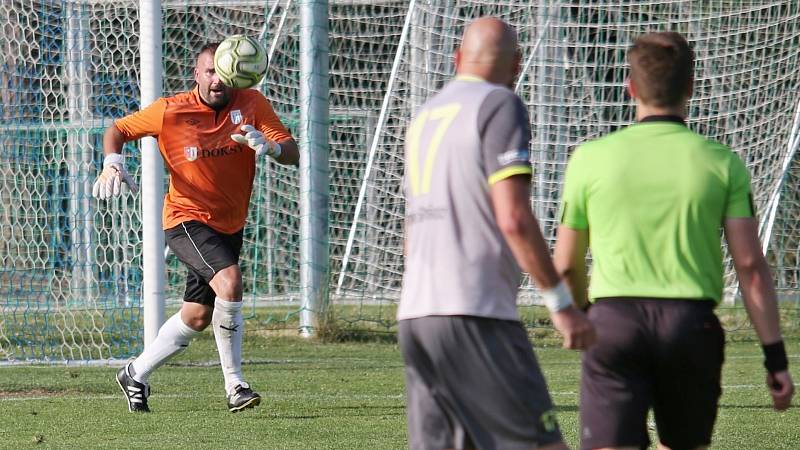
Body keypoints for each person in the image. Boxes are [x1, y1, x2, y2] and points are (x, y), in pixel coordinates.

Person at [554, 31, 794, 450]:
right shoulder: (722, 163)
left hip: (615, 322)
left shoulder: (589, 159)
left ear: (630, 87)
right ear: (690, 87)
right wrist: (774, 356)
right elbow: (751, 267)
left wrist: (582, 314)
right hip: (690, 325)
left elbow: (566, 265)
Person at [399, 17, 596, 450]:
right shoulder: (499, 104)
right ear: (517, 64)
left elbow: (411, 229)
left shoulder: (425, 117)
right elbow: (513, 217)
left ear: (457, 59)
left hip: (417, 315)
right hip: (475, 313)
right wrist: (561, 304)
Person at [93, 42, 299, 413]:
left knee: (197, 316)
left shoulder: (251, 103)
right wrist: (112, 162)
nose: (218, 79)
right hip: (185, 219)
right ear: (196, 74)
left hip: (229, 224)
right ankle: (235, 384)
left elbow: (292, 151)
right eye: (210, 71)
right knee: (230, 282)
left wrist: (270, 146)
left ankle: (134, 373)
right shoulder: (170, 111)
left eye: (224, 72)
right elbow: (118, 129)